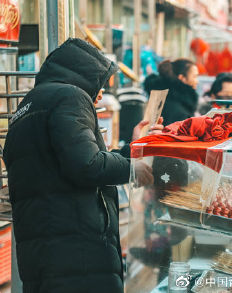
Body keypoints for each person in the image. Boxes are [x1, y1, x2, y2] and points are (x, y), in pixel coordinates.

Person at [3, 38, 156, 293]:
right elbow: (88, 165)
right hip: (76, 253)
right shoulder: (70, 95)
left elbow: (73, 160)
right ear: (86, 75)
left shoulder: (27, 106)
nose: (102, 93)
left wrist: (133, 148)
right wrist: (133, 168)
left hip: (44, 252)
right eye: (101, 83)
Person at [144, 58, 199, 126]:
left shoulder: (164, 97)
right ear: (182, 78)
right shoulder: (178, 111)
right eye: (194, 76)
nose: (197, 81)